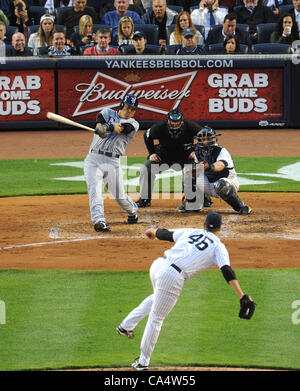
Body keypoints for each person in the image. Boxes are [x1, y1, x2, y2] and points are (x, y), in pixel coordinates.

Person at [116, 212, 255, 371]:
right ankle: (143, 362)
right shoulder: (218, 247)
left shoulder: (192, 231)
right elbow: (227, 271)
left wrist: (153, 232)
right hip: (172, 276)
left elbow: (167, 234)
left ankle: (126, 325)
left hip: (158, 265)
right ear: (220, 228)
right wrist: (241, 294)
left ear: (204, 224)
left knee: (157, 298)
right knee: (156, 318)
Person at [83, 94, 140, 232]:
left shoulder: (133, 124)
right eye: (128, 107)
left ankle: (133, 210)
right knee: (95, 190)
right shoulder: (107, 112)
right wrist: (100, 128)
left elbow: (119, 127)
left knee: (120, 196)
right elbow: (99, 123)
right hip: (93, 159)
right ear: (121, 105)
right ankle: (99, 221)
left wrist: (107, 128)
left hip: (112, 162)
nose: (129, 111)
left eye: (133, 109)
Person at [136, 108, 202, 209]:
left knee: (198, 168)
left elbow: (205, 136)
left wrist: (196, 152)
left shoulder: (191, 126)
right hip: (163, 157)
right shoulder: (159, 127)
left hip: (185, 157)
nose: (175, 124)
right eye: (172, 121)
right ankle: (145, 198)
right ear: (168, 120)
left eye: (177, 121)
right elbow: (147, 136)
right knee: (146, 167)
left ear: (182, 121)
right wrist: (151, 153)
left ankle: (200, 197)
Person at [178, 126, 251, 214]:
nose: (206, 142)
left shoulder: (221, 151)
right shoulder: (198, 151)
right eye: (203, 139)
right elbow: (194, 172)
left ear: (215, 139)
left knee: (220, 185)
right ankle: (195, 204)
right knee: (188, 171)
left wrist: (209, 167)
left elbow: (220, 165)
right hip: (208, 184)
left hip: (228, 183)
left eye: (209, 139)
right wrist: (188, 191)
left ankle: (241, 207)